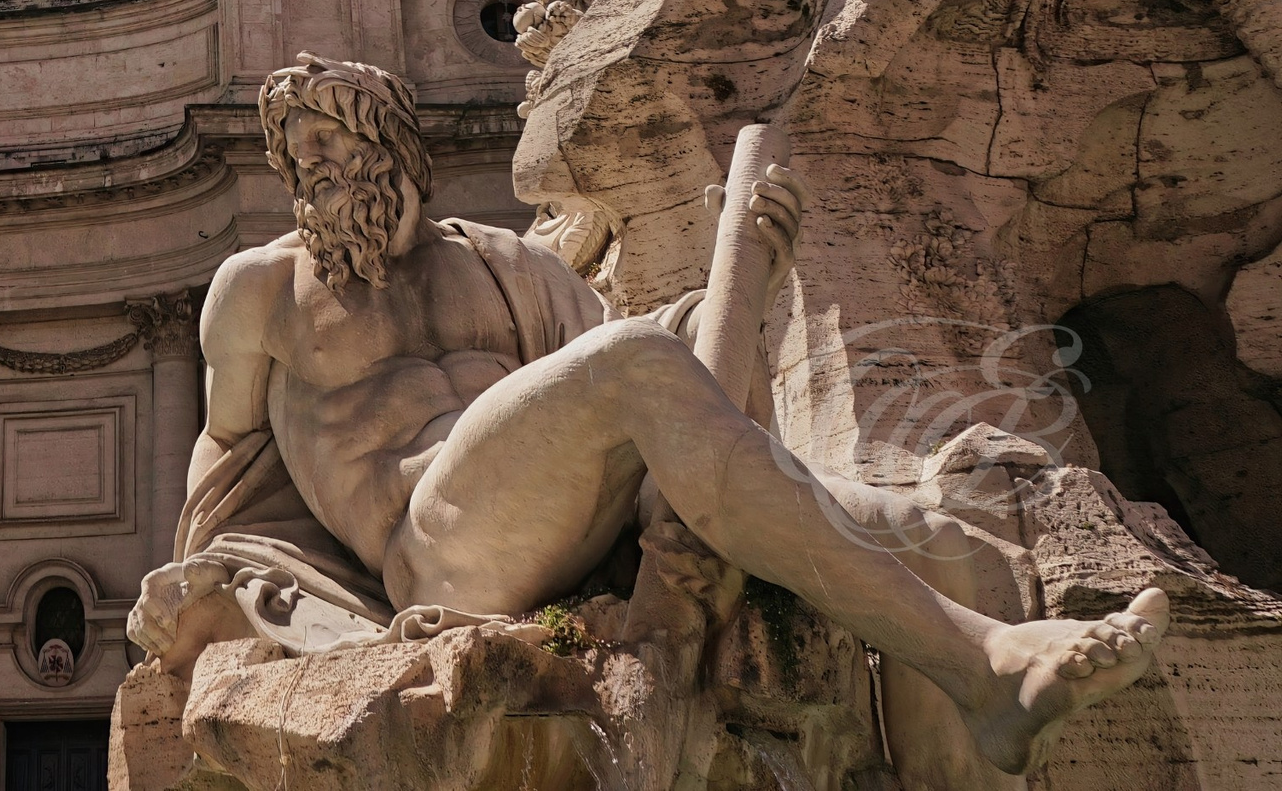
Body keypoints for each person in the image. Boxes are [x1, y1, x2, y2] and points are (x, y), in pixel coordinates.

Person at [133, 53, 1167, 778]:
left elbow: (674, 383)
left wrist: (738, 281)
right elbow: (229, 460)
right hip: (432, 550)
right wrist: (212, 587)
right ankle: (982, 660)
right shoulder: (259, 290)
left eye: (332, 143)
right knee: (632, 358)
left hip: (579, 520)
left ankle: (986, 720)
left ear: (391, 145)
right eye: (297, 156)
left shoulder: (507, 266)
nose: (315, 171)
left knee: (947, 542)